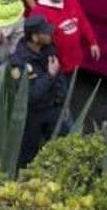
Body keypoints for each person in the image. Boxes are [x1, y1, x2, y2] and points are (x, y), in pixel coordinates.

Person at [10, 14, 67, 167]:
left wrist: (61, 99)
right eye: (45, 32)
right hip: (33, 114)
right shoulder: (18, 62)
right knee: (29, 154)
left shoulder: (49, 48)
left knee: (63, 145)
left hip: (54, 107)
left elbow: (60, 76)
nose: (50, 34)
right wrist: (49, 76)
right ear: (35, 38)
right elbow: (29, 96)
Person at [30, 0, 100, 76]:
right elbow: (35, 42)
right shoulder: (38, 12)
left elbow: (83, 21)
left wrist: (93, 42)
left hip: (75, 61)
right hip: (55, 67)